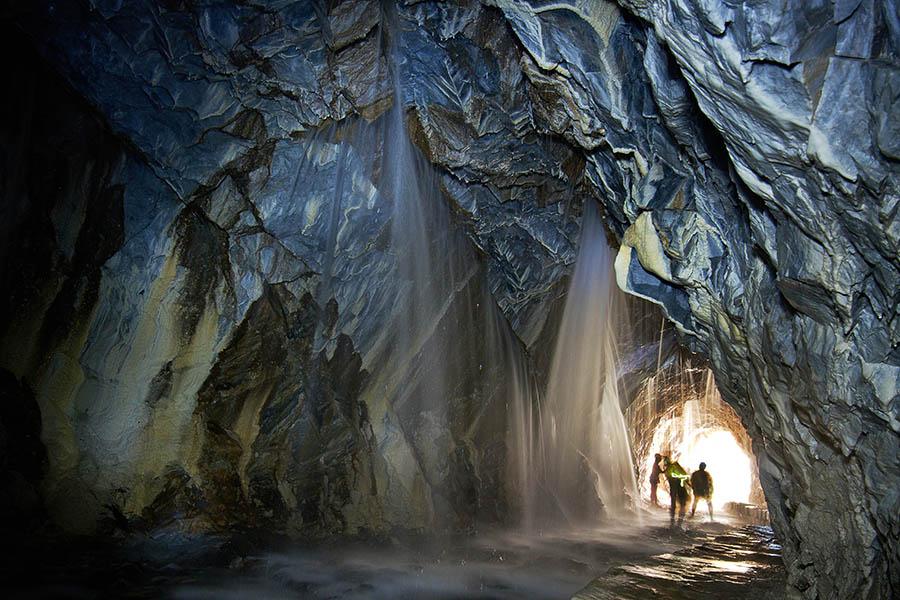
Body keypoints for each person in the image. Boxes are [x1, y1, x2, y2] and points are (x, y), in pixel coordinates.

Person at [664, 457, 689, 524]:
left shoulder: (668, 470)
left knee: (673, 503)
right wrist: (689, 484)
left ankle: (672, 520)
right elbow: (684, 476)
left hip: (674, 488)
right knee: (682, 503)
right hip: (680, 487)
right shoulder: (675, 467)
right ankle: (679, 521)